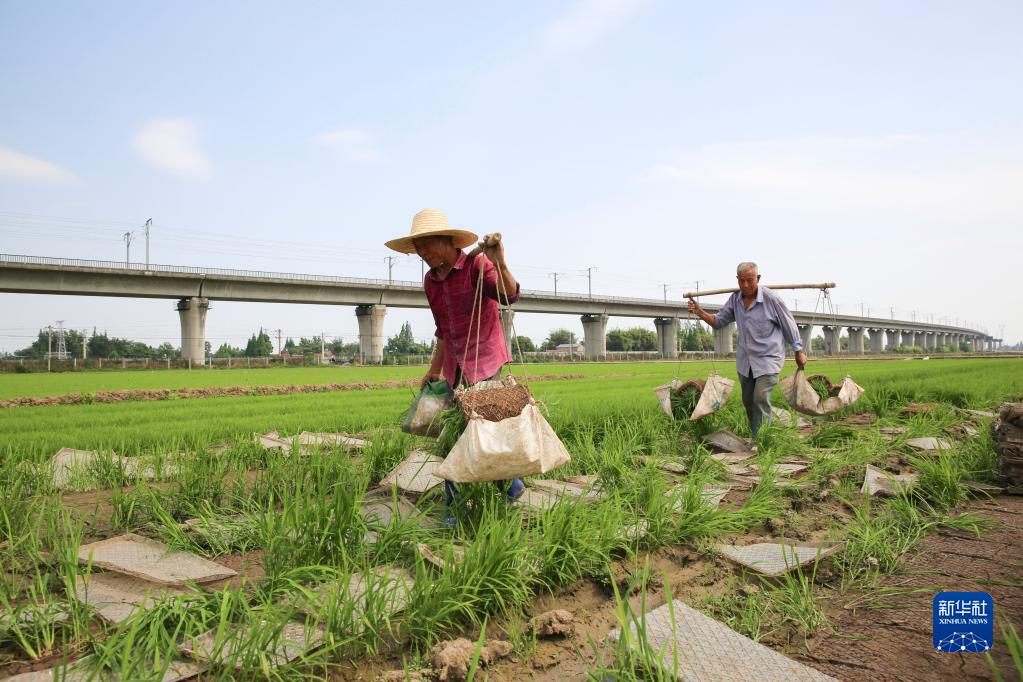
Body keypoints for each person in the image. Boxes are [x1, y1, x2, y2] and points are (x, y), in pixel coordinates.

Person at [385, 208, 524, 509]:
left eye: (427, 246)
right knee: (457, 431)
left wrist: (499, 263)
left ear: (447, 241)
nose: (423, 254)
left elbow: (509, 295)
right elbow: (443, 329)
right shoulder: (431, 281)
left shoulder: (476, 265)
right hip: (454, 365)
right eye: (418, 249)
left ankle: (472, 498)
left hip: (485, 359)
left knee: (476, 429)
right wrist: (434, 369)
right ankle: (499, 488)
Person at [687, 262, 807, 440]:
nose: (745, 285)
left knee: (760, 398)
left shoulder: (771, 299)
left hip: (768, 358)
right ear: (737, 280)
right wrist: (699, 311)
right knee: (748, 401)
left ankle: (763, 440)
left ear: (758, 278)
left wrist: (798, 350)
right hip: (746, 361)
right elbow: (718, 321)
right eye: (741, 281)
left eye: (750, 280)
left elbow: (788, 324)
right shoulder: (735, 299)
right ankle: (757, 435)